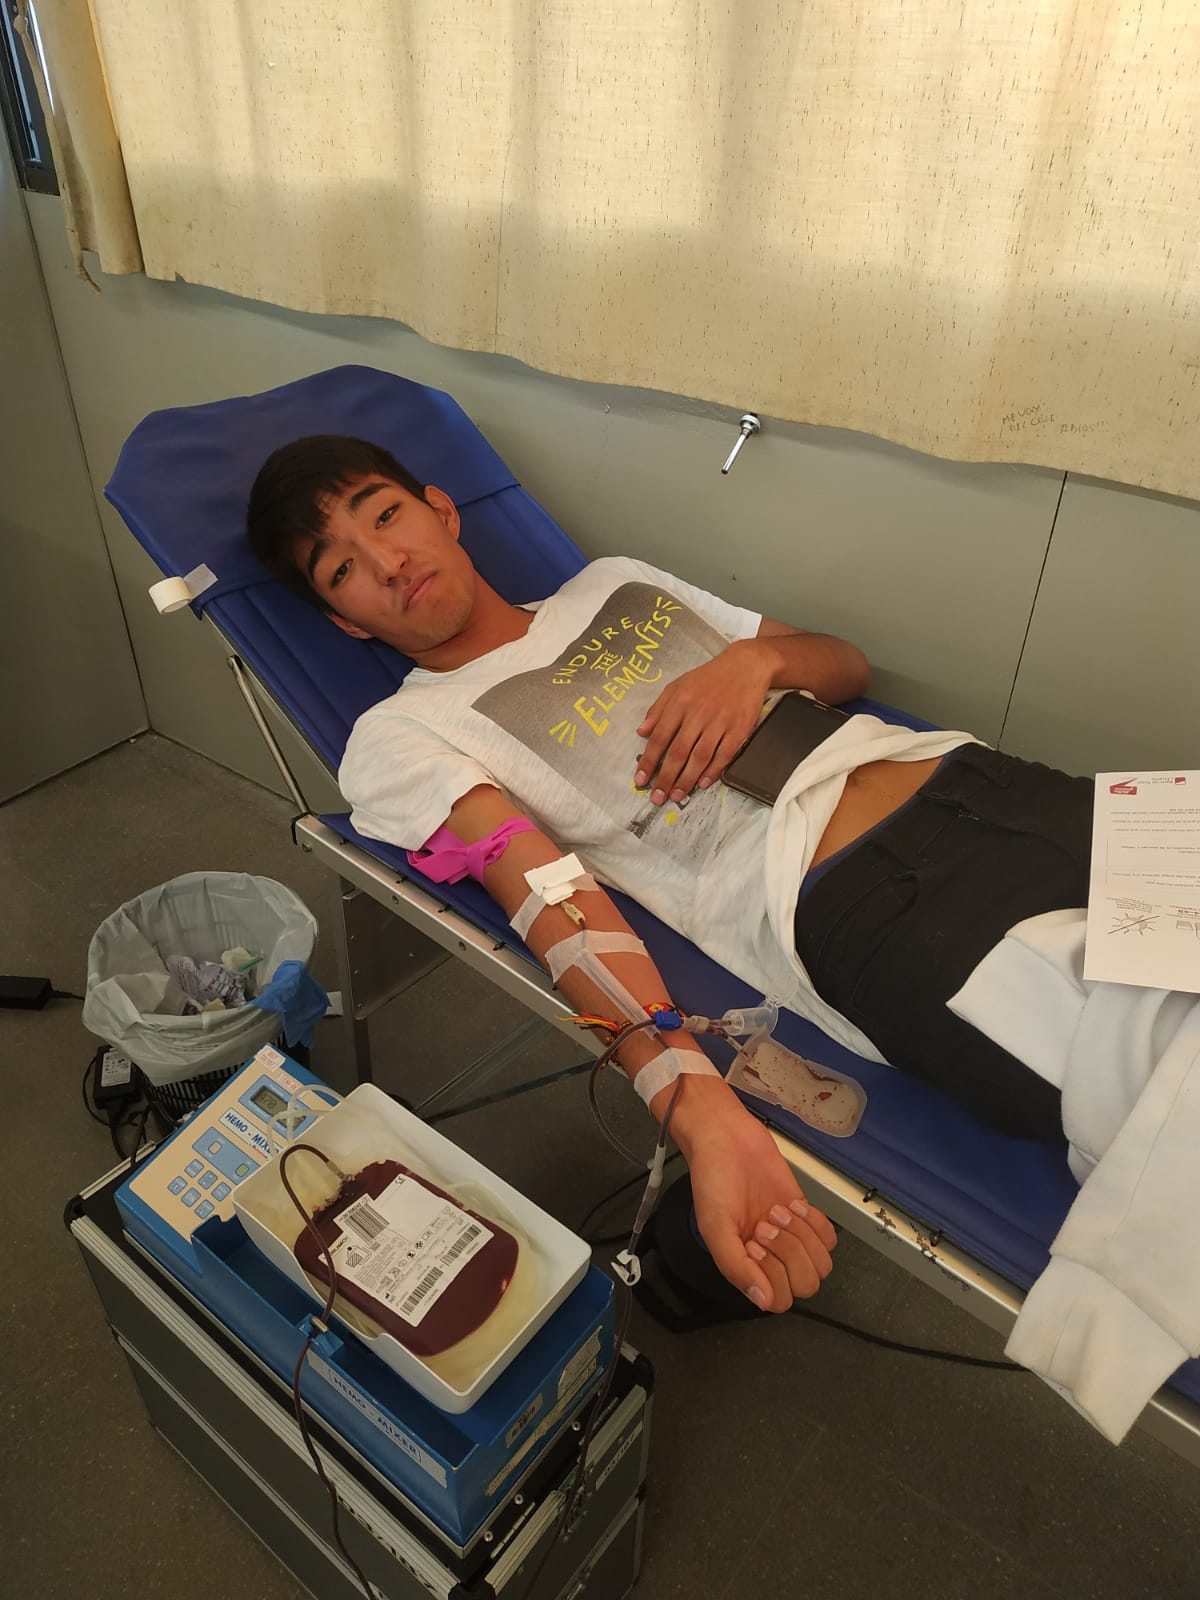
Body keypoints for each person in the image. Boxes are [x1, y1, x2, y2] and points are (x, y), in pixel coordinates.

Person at [245, 435, 1198, 1394]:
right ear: (346, 622)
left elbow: (845, 665)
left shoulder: (612, 583)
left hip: (976, 780)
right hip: (863, 900)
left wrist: (754, 662)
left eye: (385, 515)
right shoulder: (404, 733)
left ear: (441, 510)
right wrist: (697, 1110)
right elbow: (548, 898)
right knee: (1151, 1065)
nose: (387, 561)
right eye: (343, 569)